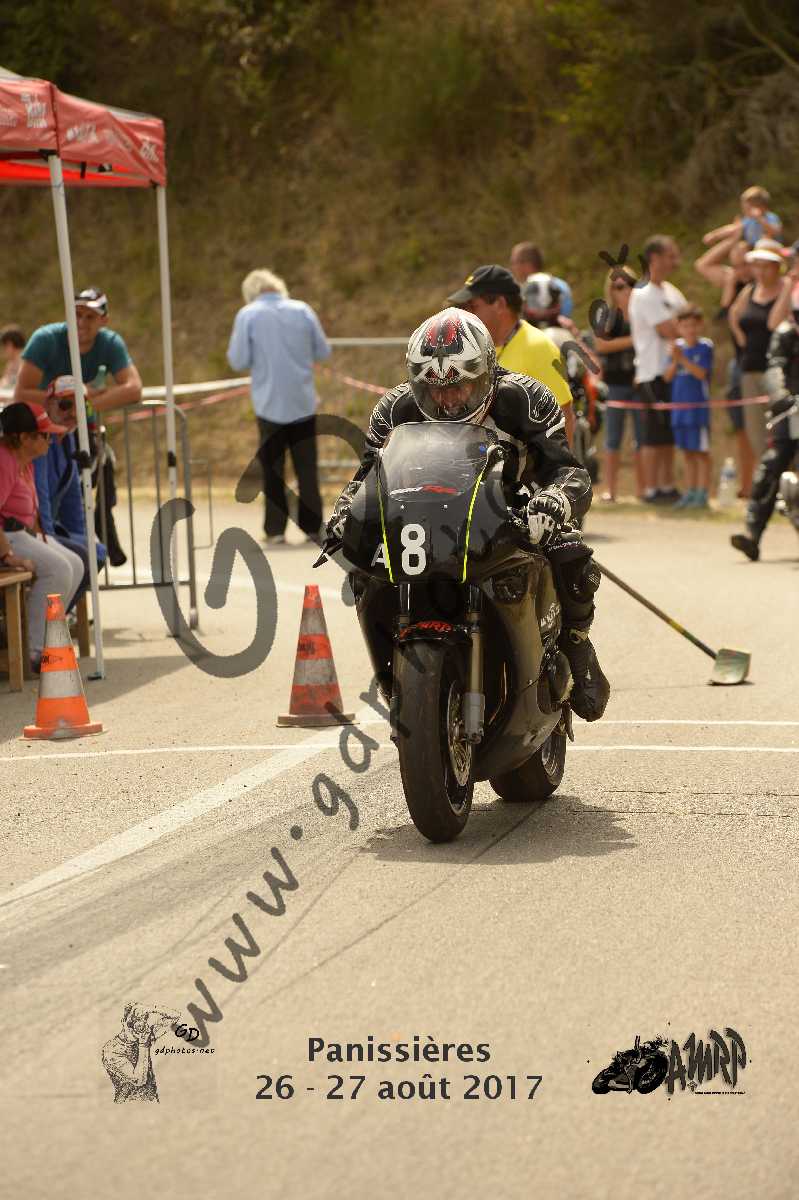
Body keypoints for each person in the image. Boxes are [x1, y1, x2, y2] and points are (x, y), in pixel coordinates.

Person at [325, 308, 610, 723]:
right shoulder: (394, 409)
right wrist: (345, 512)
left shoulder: (526, 399)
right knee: (363, 567)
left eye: (460, 386)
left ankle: (577, 642)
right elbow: (367, 475)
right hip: (421, 517)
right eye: (434, 389)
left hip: (511, 509)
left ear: (487, 372)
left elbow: (569, 471)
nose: (447, 399)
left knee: (571, 551)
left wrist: (552, 500)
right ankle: (393, 668)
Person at [14, 288, 142, 566]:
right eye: (77, 315)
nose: (82, 322)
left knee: (86, 528)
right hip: (42, 437)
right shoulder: (46, 339)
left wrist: (83, 407)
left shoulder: (110, 343)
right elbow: (21, 393)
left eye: (90, 316)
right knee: (46, 505)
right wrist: (72, 402)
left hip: (73, 436)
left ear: (104, 320)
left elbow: (134, 388)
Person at [227, 268, 331, 545]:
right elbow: (323, 351)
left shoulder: (248, 315)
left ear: (250, 293)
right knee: (307, 467)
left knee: (272, 469)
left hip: (268, 402)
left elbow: (238, 360)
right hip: (302, 401)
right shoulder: (303, 310)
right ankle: (313, 527)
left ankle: (275, 530)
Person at [444, 264, 575, 443]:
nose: (466, 314)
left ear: (500, 304)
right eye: (464, 308)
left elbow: (563, 418)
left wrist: (558, 461)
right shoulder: (472, 347)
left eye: (473, 306)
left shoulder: (538, 347)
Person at [0, 402, 84, 670]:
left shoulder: (26, 461)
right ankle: (35, 650)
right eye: (45, 435)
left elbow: (31, 511)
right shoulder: (4, 460)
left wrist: (44, 540)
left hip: (21, 534)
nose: (50, 440)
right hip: (7, 537)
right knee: (58, 569)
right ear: (24, 438)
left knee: (76, 564)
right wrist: (8, 556)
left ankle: (44, 638)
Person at [731, 285, 799, 561]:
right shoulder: (785, 334)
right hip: (791, 409)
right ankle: (752, 534)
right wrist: (780, 395)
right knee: (771, 464)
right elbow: (775, 367)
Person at [34, 375, 107, 610]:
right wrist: (48, 538)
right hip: (33, 530)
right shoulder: (40, 439)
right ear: (48, 404)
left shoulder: (69, 440)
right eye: (65, 405)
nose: (73, 413)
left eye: (81, 406)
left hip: (52, 529)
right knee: (79, 557)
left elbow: (73, 500)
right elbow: (39, 496)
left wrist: (83, 535)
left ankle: (57, 615)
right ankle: (43, 620)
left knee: (96, 552)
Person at [694, 230, 755, 495]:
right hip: (740, 362)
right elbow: (703, 264)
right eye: (735, 264)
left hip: (763, 362)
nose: (740, 270)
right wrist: (734, 237)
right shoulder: (734, 282)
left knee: (763, 426)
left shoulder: (765, 284)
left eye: (745, 263)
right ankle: (747, 485)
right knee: (741, 426)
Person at [628, 235, 686, 503]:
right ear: (654, 258)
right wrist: (680, 327)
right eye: (670, 256)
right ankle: (651, 489)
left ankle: (667, 485)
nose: (675, 261)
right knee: (652, 435)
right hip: (651, 373)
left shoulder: (673, 292)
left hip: (673, 371)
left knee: (668, 434)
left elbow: (689, 321)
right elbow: (668, 330)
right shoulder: (643, 293)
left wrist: (681, 327)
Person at [728, 239, 784, 460]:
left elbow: (773, 323)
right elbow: (734, 314)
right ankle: (767, 473)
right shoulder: (751, 290)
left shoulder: (787, 291)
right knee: (756, 432)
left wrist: (788, 286)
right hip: (750, 368)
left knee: (781, 429)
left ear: (777, 266)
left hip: (777, 373)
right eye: (757, 265)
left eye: (765, 266)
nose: (760, 271)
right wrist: (741, 338)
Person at [594, 269, 641, 501]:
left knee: (642, 439)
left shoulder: (642, 313)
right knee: (612, 439)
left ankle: (643, 490)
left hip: (641, 382)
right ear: (611, 290)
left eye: (630, 284)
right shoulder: (608, 316)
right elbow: (601, 345)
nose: (626, 290)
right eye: (619, 286)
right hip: (615, 383)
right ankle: (610, 490)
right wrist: (634, 340)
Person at [663, 305, 713, 508]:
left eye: (693, 325)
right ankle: (690, 491)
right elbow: (667, 377)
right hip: (679, 410)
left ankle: (703, 493)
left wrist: (682, 359)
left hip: (697, 410)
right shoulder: (676, 348)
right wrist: (676, 360)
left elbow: (701, 374)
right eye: (685, 326)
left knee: (701, 452)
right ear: (678, 327)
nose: (689, 330)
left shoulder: (705, 347)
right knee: (687, 452)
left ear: (700, 325)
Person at [102, 1004, 180, 1103]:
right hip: (127, 1105)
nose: (139, 1025)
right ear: (124, 1022)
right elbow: (139, 1080)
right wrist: (143, 1044)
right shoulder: (111, 1050)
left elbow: (175, 1016)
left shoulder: (144, 1036)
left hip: (152, 1103)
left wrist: (150, 1008)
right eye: (135, 1020)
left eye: (143, 1019)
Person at [702, 186, 783, 250]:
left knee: (762, 244)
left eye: (747, 208)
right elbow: (732, 229)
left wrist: (760, 219)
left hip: (771, 248)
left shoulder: (770, 217)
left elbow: (776, 232)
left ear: (760, 207)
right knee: (740, 247)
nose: (744, 211)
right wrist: (714, 235)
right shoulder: (748, 220)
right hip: (753, 249)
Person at [509, 243, 574, 318]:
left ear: (527, 264)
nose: (512, 267)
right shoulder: (561, 284)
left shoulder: (524, 292)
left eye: (513, 262)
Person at [0, 325, 25, 390]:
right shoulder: (11, 363)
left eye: (4, 346)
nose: (2, 350)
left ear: (9, 344)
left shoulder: (24, 362)